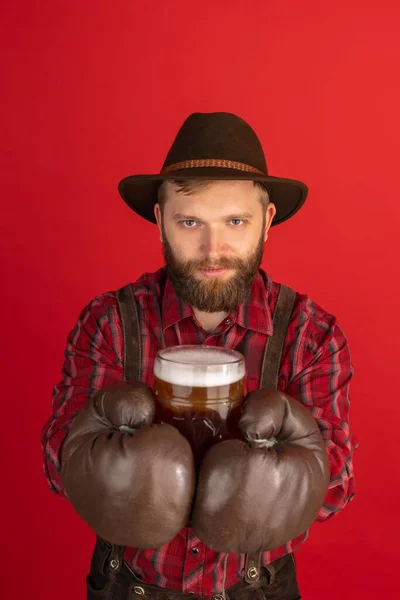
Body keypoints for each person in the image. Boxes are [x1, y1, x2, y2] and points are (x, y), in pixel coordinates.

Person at [41, 112, 358, 600]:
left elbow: (336, 487)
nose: (214, 250)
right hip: (129, 585)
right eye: (190, 222)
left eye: (235, 221)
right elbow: (59, 462)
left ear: (267, 221)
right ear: (159, 220)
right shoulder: (109, 321)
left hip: (257, 587)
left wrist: (286, 474)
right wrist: (108, 464)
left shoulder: (311, 335)